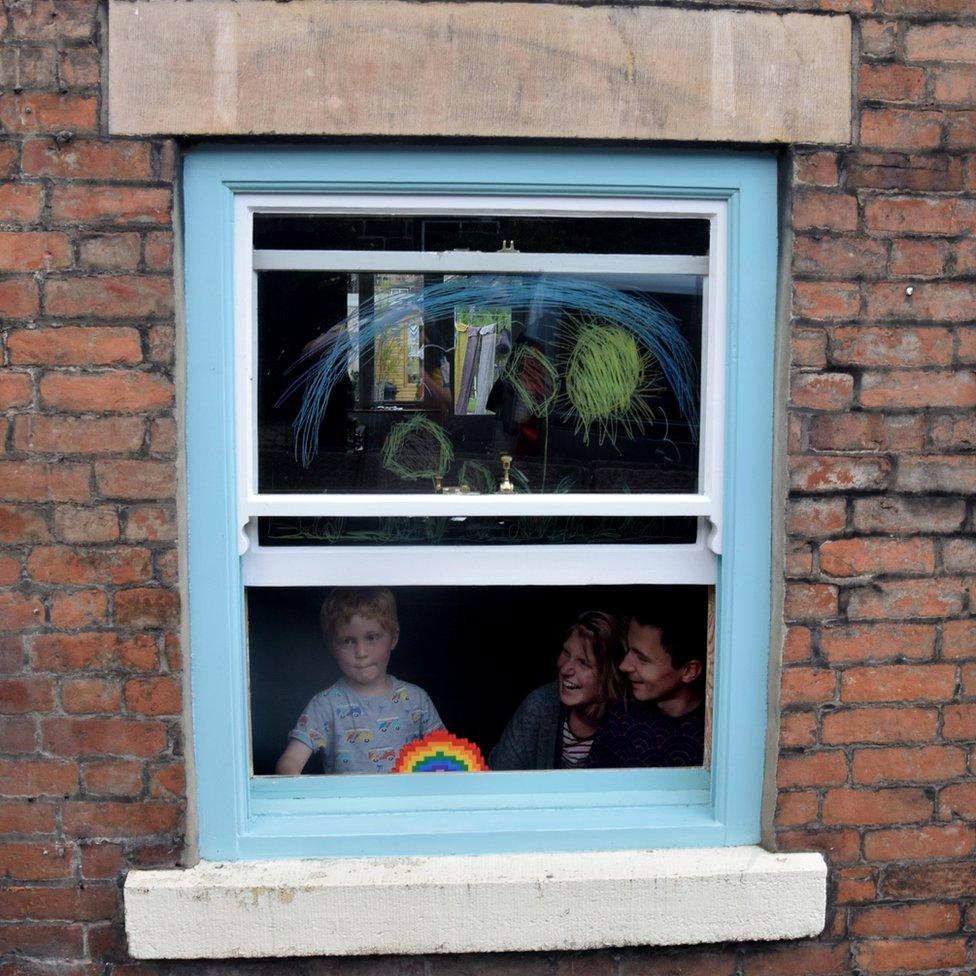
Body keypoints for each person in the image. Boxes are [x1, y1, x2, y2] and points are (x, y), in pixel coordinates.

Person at [275, 587, 444, 775]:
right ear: (332, 646)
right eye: (348, 641)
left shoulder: (416, 700)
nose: (361, 652)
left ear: (393, 638)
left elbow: (445, 758)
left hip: (406, 804)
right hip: (345, 804)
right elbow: (290, 761)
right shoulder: (325, 705)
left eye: (371, 637)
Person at [489, 610, 626, 770]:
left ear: (610, 675)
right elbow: (498, 775)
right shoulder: (539, 705)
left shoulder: (629, 725)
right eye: (566, 653)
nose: (565, 669)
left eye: (583, 663)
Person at [587, 603, 706, 769]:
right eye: (629, 650)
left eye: (642, 659)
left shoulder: (717, 733)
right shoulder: (620, 712)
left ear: (688, 671)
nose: (623, 666)